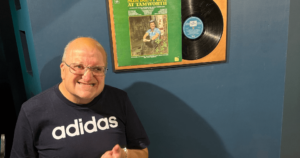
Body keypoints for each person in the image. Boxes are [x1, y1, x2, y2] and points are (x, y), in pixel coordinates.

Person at [10, 37, 150, 158]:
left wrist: (124, 155)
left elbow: (143, 152)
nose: (88, 77)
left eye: (97, 69)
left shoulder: (119, 99)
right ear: (63, 70)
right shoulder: (32, 111)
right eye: (78, 66)